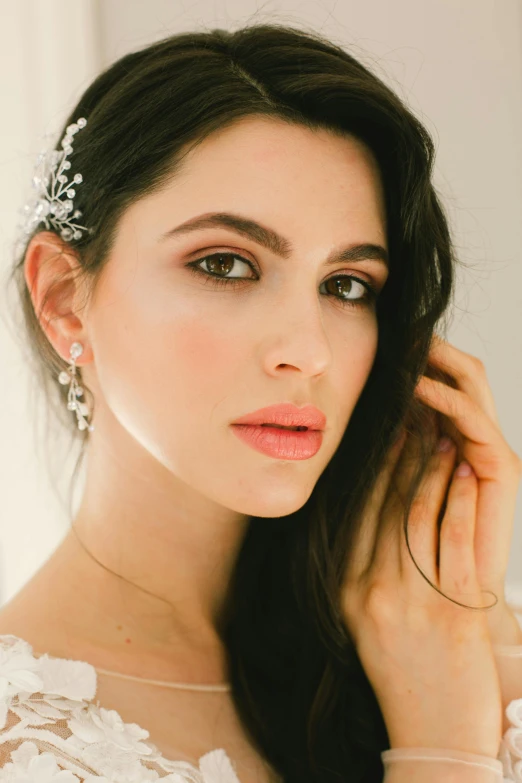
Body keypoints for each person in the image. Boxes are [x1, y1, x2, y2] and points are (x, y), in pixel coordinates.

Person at [1, 22, 521, 783]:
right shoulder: (25, 743)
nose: (307, 350)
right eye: (225, 263)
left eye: (347, 285)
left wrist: (477, 634)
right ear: (64, 299)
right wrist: (441, 742)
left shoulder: (462, 636)